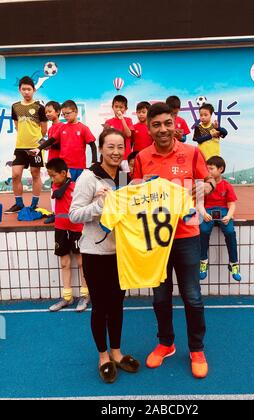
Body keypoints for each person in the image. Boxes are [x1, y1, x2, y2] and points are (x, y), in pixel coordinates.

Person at [133, 102, 216, 379]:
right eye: (156, 125)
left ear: (175, 122)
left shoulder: (192, 153)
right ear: (148, 128)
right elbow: (133, 194)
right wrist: (133, 188)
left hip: (187, 235)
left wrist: (207, 185)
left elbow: (211, 181)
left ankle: (197, 348)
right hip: (156, 239)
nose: (163, 129)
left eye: (167, 123)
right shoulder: (142, 157)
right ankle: (166, 343)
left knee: (192, 296)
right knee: (160, 297)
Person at [69, 128, 140, 384]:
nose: (115, 152)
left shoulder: (124, 177)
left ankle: (118, 352)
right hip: (94, 252)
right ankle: (103, 356)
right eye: (110, 147)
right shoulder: (88, 177)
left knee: (117, 306)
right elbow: (74, 214)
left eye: (120, 147)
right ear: (101, 149)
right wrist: (100, 206)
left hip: (120, 252)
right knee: (100, 307)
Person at [46, 158, 90, 312]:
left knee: (81, 262)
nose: (52, 179)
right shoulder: (57, 186)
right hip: (60, 228)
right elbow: (57, 194)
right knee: (64, 263)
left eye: (54, 175)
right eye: (50, 176)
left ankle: (85, 295)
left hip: (77, 229)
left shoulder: (76, 187)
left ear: (64, 173)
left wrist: (69, 181)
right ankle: (67, 297)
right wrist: (63, 181)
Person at [5, 76, 48, 213]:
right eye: (23, 89)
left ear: (34, 90)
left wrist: (37, 145)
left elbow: (44, 129)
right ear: (20, 90)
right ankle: (19, 204)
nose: (26, 92)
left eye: (29, 89)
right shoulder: (15, 107)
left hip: (35, 148)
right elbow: (17, 126)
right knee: (15, 175)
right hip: (20, 147)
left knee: (35, 174)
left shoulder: (40, 108)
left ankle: (34, 204)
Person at [29, 100, 97, 182]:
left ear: (76, 112)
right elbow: (51, 140)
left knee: (78, 192)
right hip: (64, 167)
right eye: (63, 114)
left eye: (67, 113)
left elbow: (93, 145)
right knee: (65, 191)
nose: (65, 116)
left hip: (79, 167)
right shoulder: (62, 128)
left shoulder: (83, 128)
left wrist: (94, 161)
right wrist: (39, 148)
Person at [199, 155, 241, 281]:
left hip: (223, 211)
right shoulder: (204, 185)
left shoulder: (227, 186)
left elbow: (232, 204)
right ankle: (203, 262)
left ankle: (233, 264)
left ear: (221, 169)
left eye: (211, 169)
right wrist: (203, 213)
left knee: (230, 232)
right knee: (203, 230)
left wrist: (228, 216)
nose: (208, 172)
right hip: (208, 211)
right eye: (207, 169)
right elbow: (199, 203)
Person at [44, 101, 64, 224]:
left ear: (58, 112)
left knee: (63, 188)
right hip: (51, 161)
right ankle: (55, 213)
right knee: (53, 187)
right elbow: (51, 144)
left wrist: (49, 145)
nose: (47, 114)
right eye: (46, 112)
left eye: (50, 111)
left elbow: (62, 145)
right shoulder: (50, 128)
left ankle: (62, 214)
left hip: (60, 162)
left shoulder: (62, 126)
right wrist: (46, 146)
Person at [103, 95, 134, 162]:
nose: (118, 109)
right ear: (112, 107)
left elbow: (128, 134)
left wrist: (122, 119)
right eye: (116, 107)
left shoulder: (128, 120)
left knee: (125, 172)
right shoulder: (108, 122)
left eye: (121, 107)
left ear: (126, 109)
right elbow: (104, 139)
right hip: (112, 156)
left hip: (126, 156)